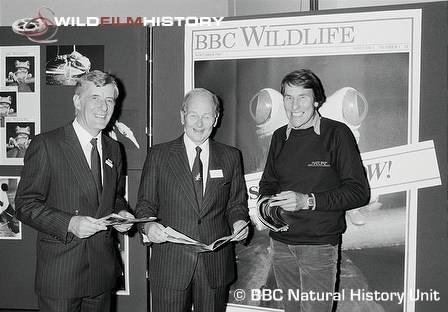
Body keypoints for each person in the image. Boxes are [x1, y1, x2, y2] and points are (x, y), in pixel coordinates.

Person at [15, 70, 134, 312]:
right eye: (95, 98)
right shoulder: (47, 144)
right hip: (61, 274)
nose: (103, 107)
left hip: (101, 272)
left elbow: (115, 197)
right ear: (77, 101)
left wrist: (122, 214)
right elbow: (25, 205)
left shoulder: (114, 148)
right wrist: (70, 223)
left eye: (110, 100)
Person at [256, 69, 370, 312]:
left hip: (318, 248)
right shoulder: (279, 136)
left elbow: (359, 192)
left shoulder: (337, 134)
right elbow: (267, 184)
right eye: (288, 97)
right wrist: (266, 207)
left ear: (317, 100)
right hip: (281, 245)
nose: (294, 105)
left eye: (302, 97)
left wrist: (306, 201)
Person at [135, 88, 249, 312]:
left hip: (214, 265)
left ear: (216, 119)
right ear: (182, 116)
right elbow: (145, 204)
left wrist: (239, 222)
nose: (199, 123)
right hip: (171, 264)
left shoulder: (231, 156)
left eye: (207, 116)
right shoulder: (158, 155)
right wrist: (148, 226)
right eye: (193, 115)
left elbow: (236, 205)